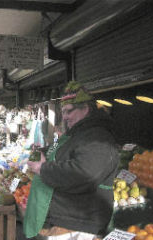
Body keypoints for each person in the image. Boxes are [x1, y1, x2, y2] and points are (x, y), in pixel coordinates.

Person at [24, 81, 119, 240]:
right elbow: (59, 149)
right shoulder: (76, 134)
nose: (65, 117)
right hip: (63, 222)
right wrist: (42, 151)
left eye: (69, 111)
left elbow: (84, 174)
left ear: (86, 109)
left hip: (77, 225)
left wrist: (43, 169)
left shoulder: (98, 138)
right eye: (63, 112)